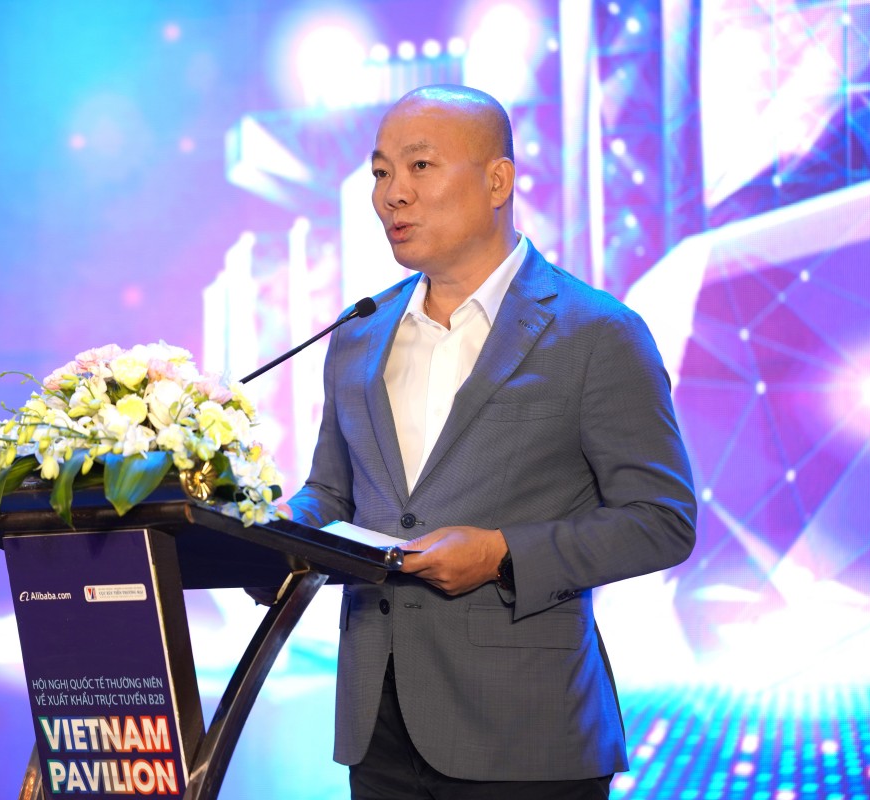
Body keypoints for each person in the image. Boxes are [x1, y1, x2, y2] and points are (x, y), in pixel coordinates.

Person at [286, 85, 697, 799]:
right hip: (377, 727)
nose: (392, 194)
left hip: (528, 733)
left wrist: (503, 553)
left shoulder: (597, 332)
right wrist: (276, 528)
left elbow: (662, 520)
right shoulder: (357, 333)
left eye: (420, 166)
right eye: (381, 172)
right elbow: (331, 493)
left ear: (498, 181)